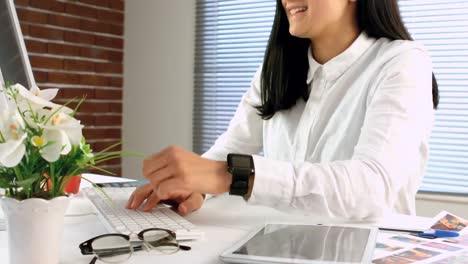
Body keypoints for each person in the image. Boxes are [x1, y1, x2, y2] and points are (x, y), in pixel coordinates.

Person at [126, 0, 439, 220]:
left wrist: (235, 175)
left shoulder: (401, 62)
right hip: (282, 245)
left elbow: (371, 187)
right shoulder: (276, 70)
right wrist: (194, 188)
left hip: (371, 250)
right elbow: (231, 147)